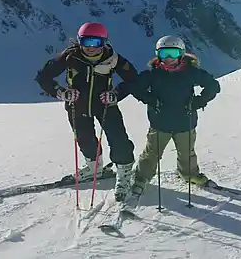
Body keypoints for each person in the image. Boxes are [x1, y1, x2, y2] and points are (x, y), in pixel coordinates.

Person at [35, 22, 138, 200]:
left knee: (118, 138)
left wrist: (116, 94)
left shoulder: (113, 58)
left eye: (96, 43)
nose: (91, 48)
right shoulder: (69, 57)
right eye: (86, 42)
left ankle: (124, 174)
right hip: (77, 105)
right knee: (84, 138)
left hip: (106, 105)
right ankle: (93, 168)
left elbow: (133, 79)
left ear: (104, 42)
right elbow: (43, 76)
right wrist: (61, 92)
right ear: (78, 41)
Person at [127, 35, 220, 202]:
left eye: (173, 53)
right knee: (152, 154)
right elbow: (135, 87)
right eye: (164, 54)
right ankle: (141, 179)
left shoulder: (191, 72)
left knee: (187, 153)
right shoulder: (153, 74)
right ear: (157, 54)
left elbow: (213, 85)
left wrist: (198, 101)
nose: (169, 58)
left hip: (185, 122)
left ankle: (189, 174)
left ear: (182, 54)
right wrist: (150, 100)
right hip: (160, 123)